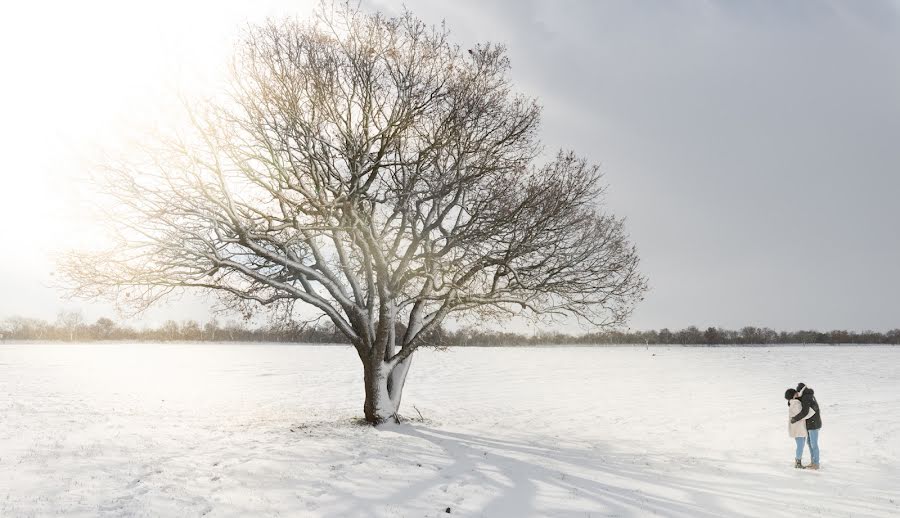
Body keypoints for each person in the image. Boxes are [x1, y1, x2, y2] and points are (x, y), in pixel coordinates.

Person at [791, 382, 822, 470]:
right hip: (812, 423)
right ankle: (813, 462)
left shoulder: (806, 397)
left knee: (813, 444)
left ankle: (816, 463)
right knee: (810, 443)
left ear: (800, 391)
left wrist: (795, 419)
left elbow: (805, 412)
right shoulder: (808, 395)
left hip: (813, 424)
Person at [785, 388, 815, 468]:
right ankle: (798, 463)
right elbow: (802, 415)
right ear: (793, 395)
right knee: (800, 446)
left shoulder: (794, 403)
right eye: (795, 393)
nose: (797, 394)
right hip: (798, 429)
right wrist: (812, 411)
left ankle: (798, 461)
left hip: (799, 428)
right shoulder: (795, 404)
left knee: (800, 445)